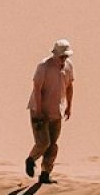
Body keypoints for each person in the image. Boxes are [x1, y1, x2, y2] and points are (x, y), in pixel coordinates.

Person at [26, 39, 76, 182]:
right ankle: (30, 159)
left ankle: (45, 174)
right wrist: (39, 112)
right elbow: (37, 89)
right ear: (55, 54)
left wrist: (69, 106)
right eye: (62, 56)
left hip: (57, 111)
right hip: (40, 110)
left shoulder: (68, 66)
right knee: (43, 143)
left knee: (53, 145)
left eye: (66, 56)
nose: (64, 58)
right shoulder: (44, 67)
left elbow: (69, 86)